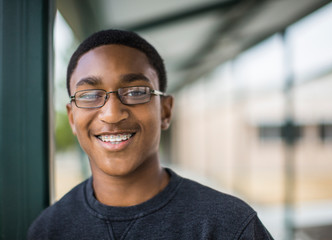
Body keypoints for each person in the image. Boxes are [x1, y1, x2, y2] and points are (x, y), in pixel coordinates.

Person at [28, 29, 273, 240]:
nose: (112, 114)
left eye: (135, 92)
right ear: (72, 118)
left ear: (165, 111)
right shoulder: (49, 229)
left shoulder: (229, 227)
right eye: (90, 95)